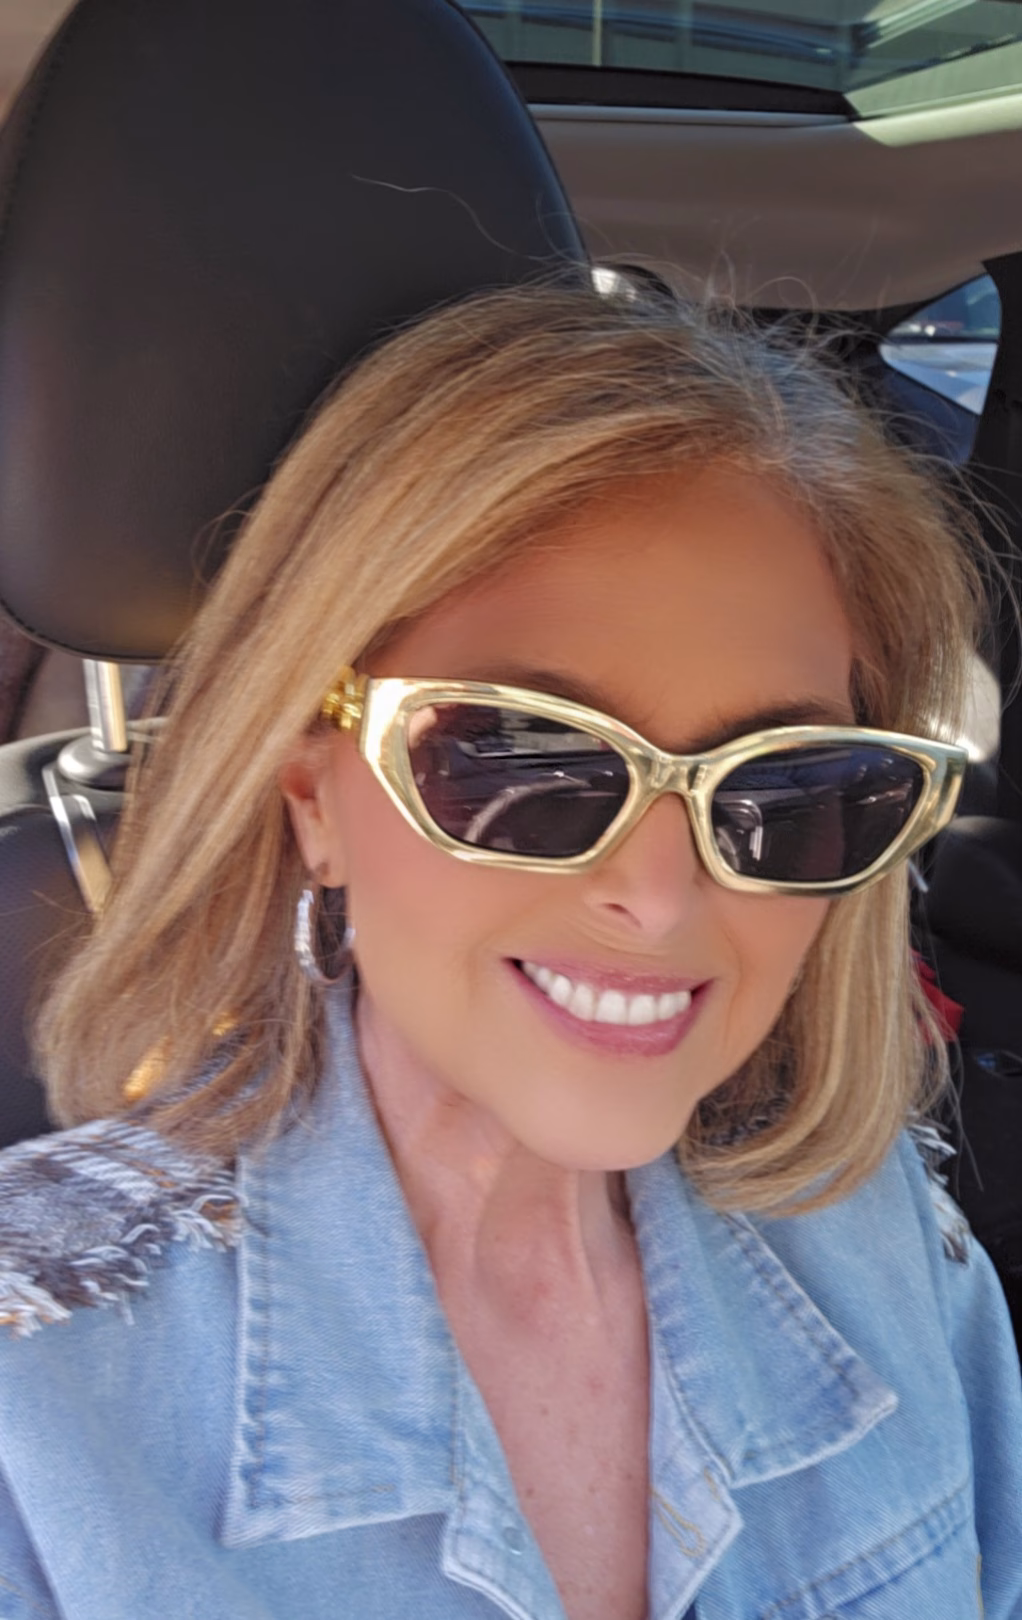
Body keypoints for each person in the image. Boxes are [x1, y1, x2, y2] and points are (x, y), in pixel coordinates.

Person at [0, 280, 1019, 1620]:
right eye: (522, 760)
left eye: (785, 786)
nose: (659, 897)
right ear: (312, 794)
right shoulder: (37, 1412)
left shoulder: (890, 1243)